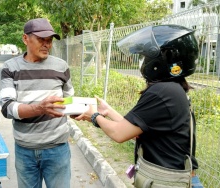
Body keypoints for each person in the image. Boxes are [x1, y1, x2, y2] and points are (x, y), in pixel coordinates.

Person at [72, 25, 203, 188]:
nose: (143, 62)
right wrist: (108, 111)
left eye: (145, 57)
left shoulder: (161, 92)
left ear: (162, 58)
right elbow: (135, 130)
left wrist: (93, 116)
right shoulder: (173, 89)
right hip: (175, 180)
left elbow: (119, 134)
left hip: (168, 182)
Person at [0, 18, 74, 188]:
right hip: (25, 150)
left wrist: (77, 109)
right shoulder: (10, 67)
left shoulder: (61, 66)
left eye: (50, 40)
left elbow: (69, 99)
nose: (46, 44)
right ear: (25, 39)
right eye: (41, 39)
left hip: (58, 149)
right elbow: (7, 108)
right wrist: (39, 108)